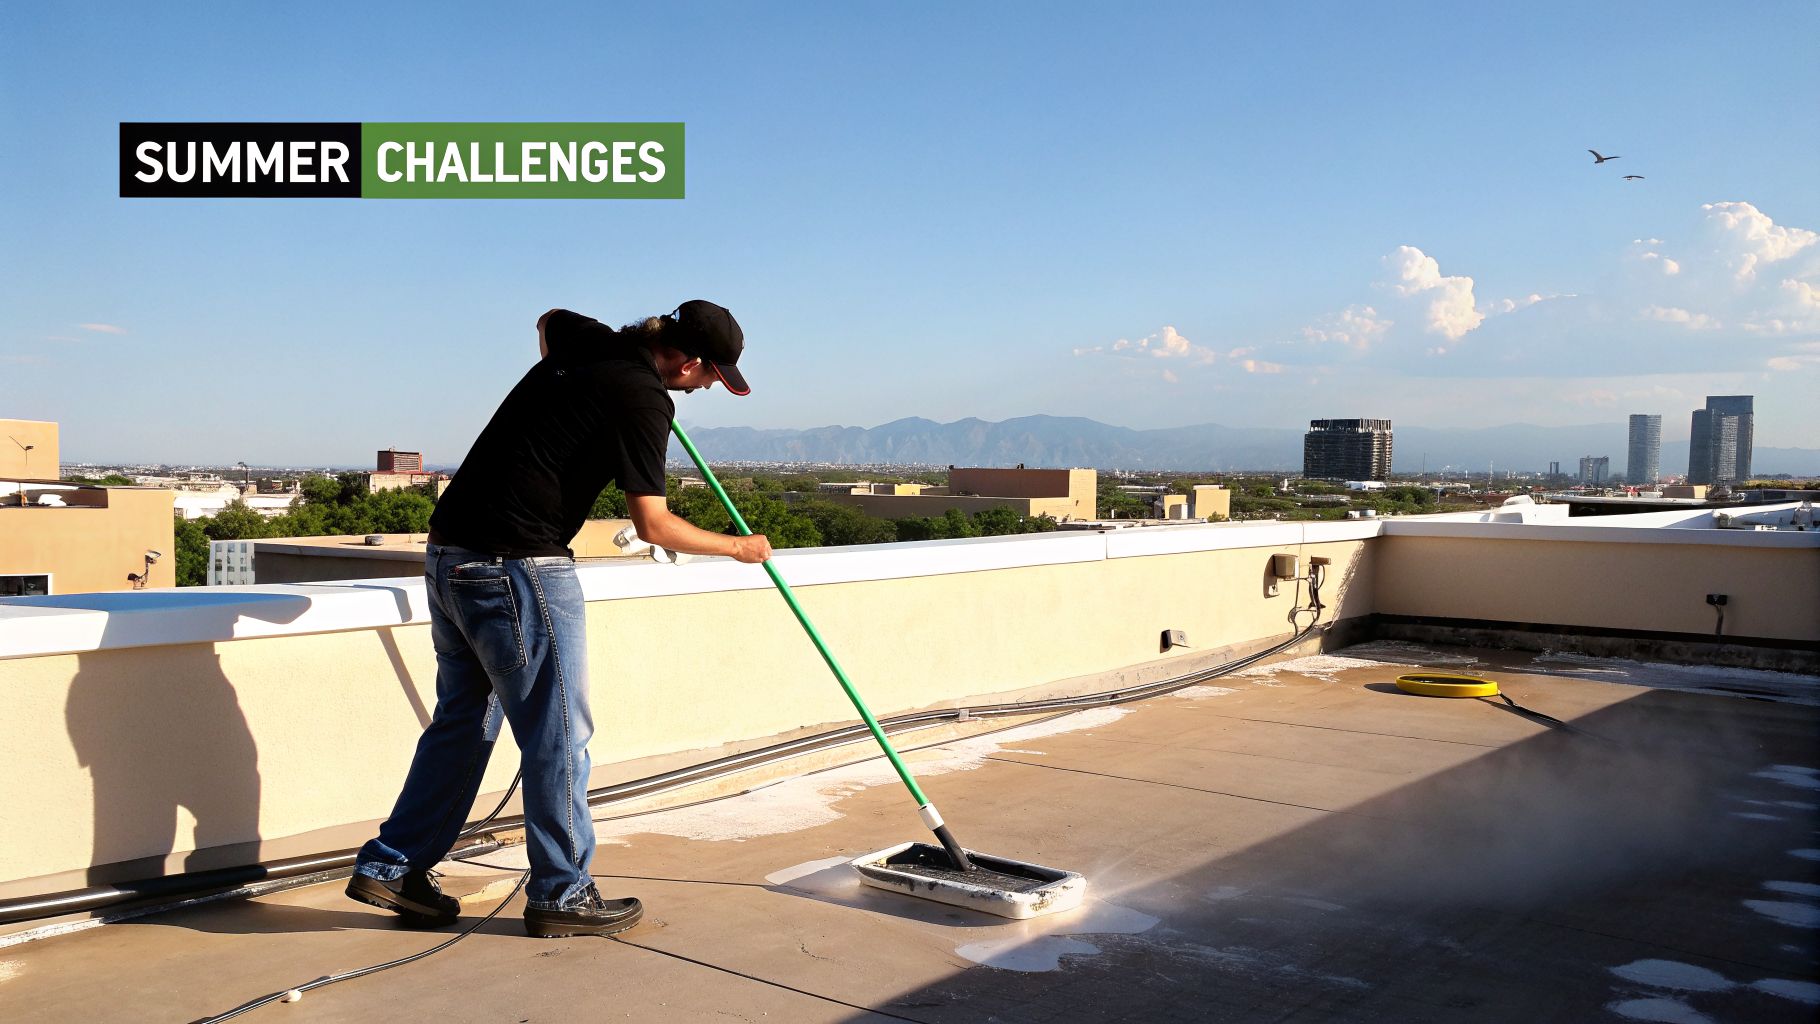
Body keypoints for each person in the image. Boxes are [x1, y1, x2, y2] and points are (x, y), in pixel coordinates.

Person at [346, 301, 771, 938]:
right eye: (711, 376)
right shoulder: (646, 399)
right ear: (687, 361)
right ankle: (562, 894)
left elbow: (550, 318)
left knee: (463, 723)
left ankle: (395, 866)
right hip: (520, 566)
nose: (707, 387)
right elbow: (654, 525)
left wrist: (567, 390)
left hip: (449, 556)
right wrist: (741, 547)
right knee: (557, 732)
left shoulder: (590, 342)